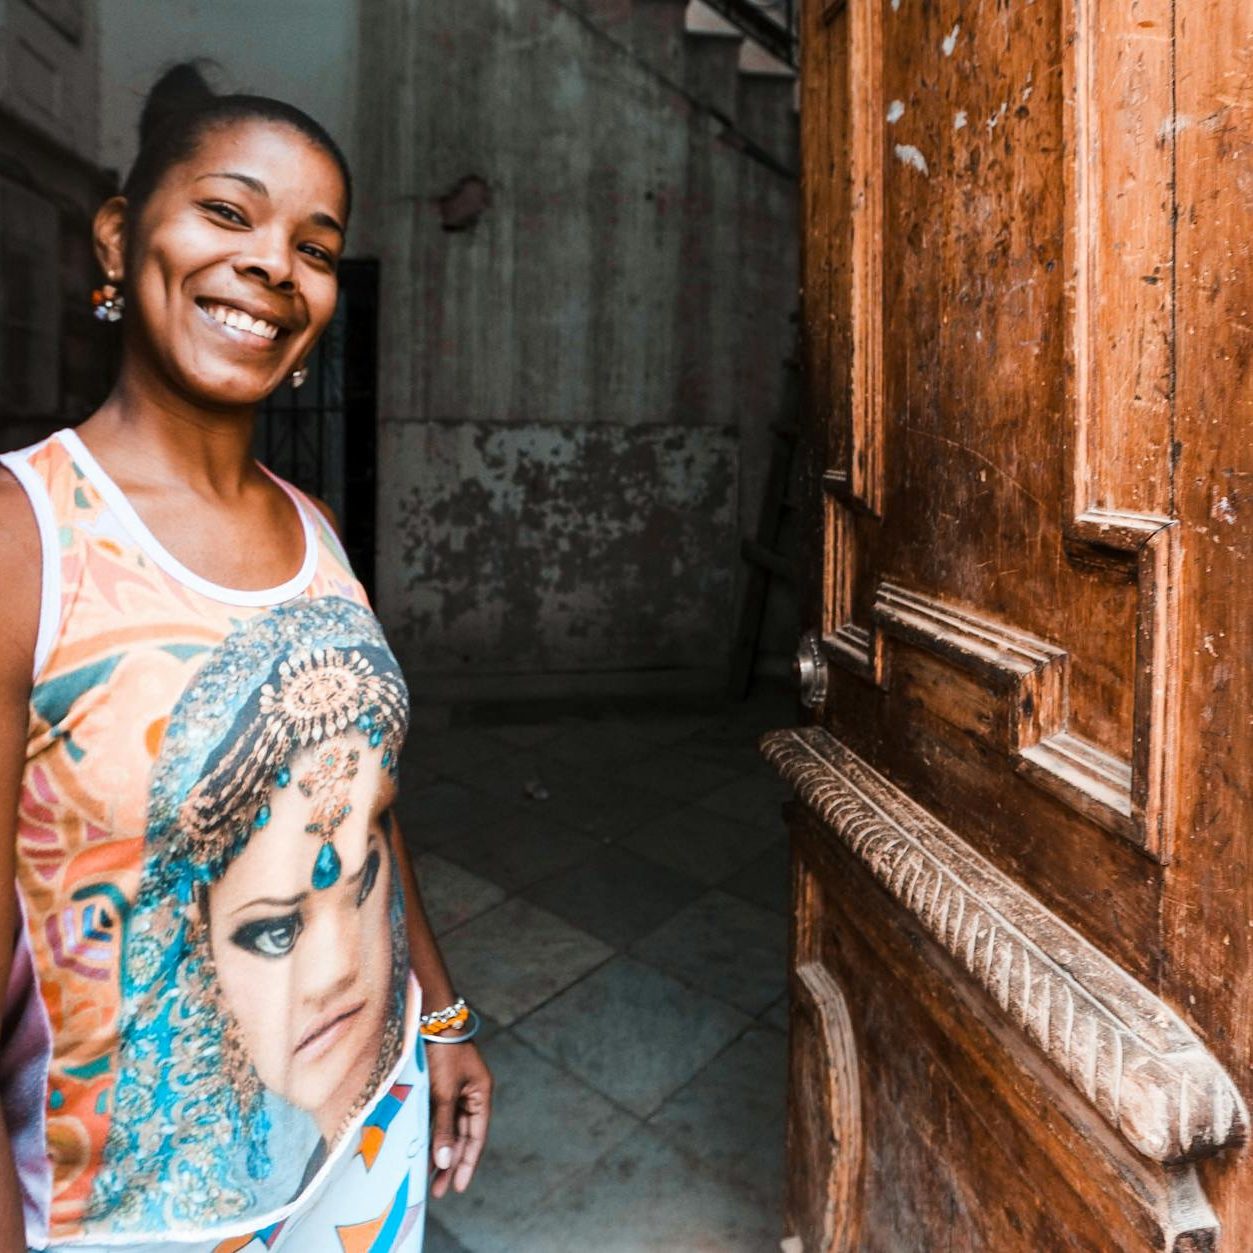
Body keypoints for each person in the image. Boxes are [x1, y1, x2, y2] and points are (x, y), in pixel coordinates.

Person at [0, 61, 491, 1252]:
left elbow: (366, 804)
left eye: (315, 246)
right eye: (228, 212)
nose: (274, 262)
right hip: (126, 1215)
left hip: (358, 1152)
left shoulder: (315, 530)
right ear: (118, 239)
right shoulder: (29, 537)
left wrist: (440, 1016)